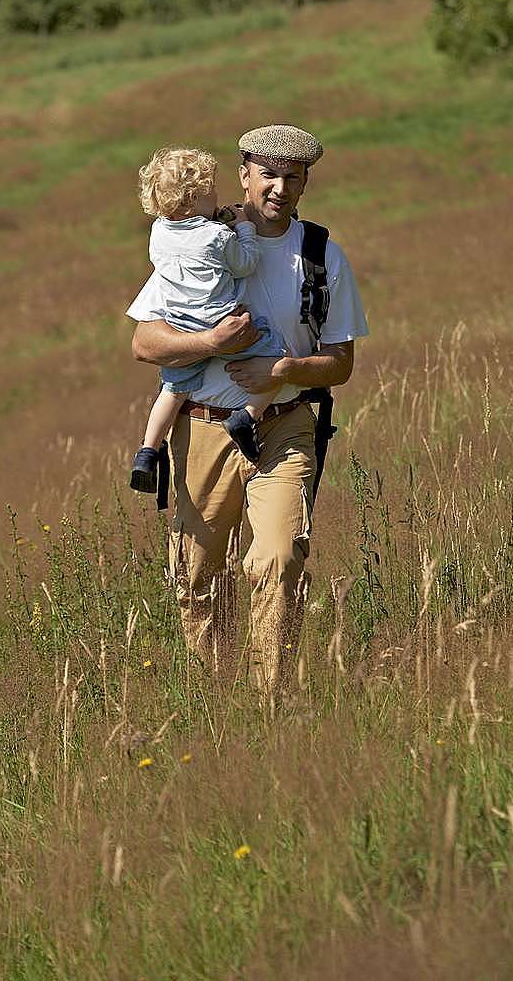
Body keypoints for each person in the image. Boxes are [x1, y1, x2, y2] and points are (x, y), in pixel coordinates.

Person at [128, 124, 369, 691]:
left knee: (278, 559)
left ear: (306, 181)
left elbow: (341, 363)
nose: (280, 188)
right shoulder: (197, 237)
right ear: (245, 176)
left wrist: (282, 370)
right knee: (194, 574)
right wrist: (213, 345)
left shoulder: (321, 256)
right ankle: (214, 699)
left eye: (293, 177)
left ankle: (269, 699)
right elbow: (145, 343)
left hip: (284, 427)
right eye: (269, 175)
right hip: (204, 430)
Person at [127, 145, 287, 491]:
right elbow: (245, 262)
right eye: (210, 190)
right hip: (224, 323)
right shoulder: (217, 236)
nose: (216, 193)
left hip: (181, 328)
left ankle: (147, 451)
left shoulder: (158, 233)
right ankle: (247, 417)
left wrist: (210, 218)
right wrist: (243, 227)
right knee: (277, 359)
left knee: (173, 391)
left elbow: (188, 243)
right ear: (191, 200)